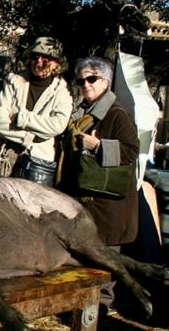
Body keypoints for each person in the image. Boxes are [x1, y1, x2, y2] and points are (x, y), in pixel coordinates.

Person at [57, 56, 139, 311]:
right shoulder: (82, 112)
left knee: (105, 260)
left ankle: (99, 312)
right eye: (81, 80)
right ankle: (84, 310)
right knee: (87, 258)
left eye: (92, 79)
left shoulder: (117, 114)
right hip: (86, 202)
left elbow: (131, 150)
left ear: (105, 82)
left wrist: (100, 146)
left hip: (108, 204)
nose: (86, 84)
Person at [0, 36, 72, 186]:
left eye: (46, 58)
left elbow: (57, 126)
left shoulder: (62, 92)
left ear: (57, 62)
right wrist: (31, 138)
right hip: (4, 159)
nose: (39, 61)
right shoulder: (14, 81)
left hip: (38, 164)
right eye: (36, 56)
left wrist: (20, 118)